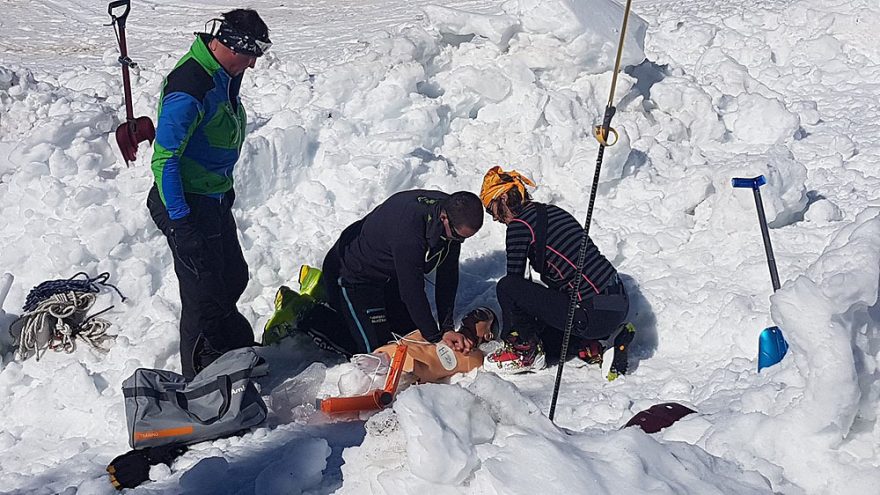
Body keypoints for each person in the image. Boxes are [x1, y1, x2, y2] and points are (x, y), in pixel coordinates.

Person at [146, 9, 271, 380]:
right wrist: (182, 224)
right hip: (184, 203)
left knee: (232, 276)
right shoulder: (191, 85)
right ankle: (198, 383)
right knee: (201, 297)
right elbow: (165, 160)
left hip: (214, 198)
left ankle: (225, 354)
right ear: (226, 44)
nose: (251, 64)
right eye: (248, 54)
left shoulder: (224, 74)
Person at [479, 166, 632, 376]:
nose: (494, 218)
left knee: (506, 287)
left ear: (504, 198)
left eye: (491, 209)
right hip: (616, 302)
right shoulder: (552, 212)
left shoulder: (519, 226)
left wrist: (511, 334)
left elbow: (514, 285)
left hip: (591, 313)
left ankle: (523, 352)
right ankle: (593, 344)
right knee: (547, 343)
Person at [319, 190, 484, 357]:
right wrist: (435, 338)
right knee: (377, 354)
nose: (459, 242)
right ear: (444, 218)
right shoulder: (409, 231)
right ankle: (310, 316)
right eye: (457, 236)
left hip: (389, 277)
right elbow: (411, 291)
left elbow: (447, 275)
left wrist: (446, 328)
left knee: (410, 337)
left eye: (464, 238)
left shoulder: (453, 212)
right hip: (352, 276)